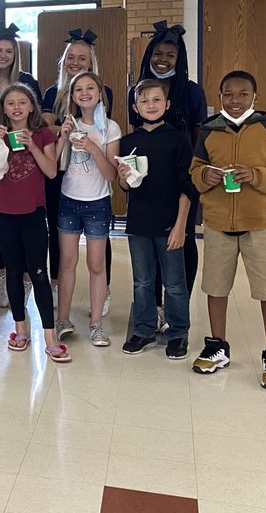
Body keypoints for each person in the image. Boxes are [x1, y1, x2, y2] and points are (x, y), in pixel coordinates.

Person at [190, 71, 266, 389]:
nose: (234, 100)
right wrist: (204, 176)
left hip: (259, 224)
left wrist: (256, 175)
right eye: (228, 94)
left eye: (242, 94)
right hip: (217, 224)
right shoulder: (208, 131)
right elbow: (195, 170)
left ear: (255, 97)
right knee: (215, 287)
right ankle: (217, 346)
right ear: (220, 97)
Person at [128, 21, 208, 329]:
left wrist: (195, 174)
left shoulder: (191, 91)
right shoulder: (138, 89)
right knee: (150, 245)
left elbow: (199, 135)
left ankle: (178, 306)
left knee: (181, 241)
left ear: (179, 58)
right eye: (158, 53)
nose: (163, 59)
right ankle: (156, 308)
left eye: (170, 55)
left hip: (181, 178)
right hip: (148, 181)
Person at [117, 79, 197, 360]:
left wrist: (181, 225)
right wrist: (122, 178)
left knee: (174, 283)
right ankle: (144, 329)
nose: (150, 105)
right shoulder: (129, 142)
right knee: (142, 281)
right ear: (135, 107)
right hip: (139, 223)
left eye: (156, 100)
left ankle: (178, 332)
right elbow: (126, 186)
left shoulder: (178, 139)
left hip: (170, 223)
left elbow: (187, 186)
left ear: (167, 104)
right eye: (144, 101)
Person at [0, 84, 66, 362]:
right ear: (3, 109)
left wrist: (32, 145)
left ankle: (49, 336)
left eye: (22, 102)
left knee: (39, 272)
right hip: (2, 212)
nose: (17, 107)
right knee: (13, 271)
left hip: (33, 213)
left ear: (32, 106)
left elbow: (51, 171)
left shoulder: (43, 134)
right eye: (10, 103)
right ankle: (20, 329)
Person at [40, 29, 115, 311]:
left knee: (99, 237)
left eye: (81, 58)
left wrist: (79, 133)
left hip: (92, 173)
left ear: (91, 63)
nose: (75, 62)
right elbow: (44, 127)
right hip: (60, 169)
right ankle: (57, 284)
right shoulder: (52, 92)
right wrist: (65, 130)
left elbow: (102, 129)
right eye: (70, 57)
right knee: (57, 230)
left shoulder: (104, 92)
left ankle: (103, 290)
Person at [53, 71, 121, 349]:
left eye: (90, 87)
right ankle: (62, 320)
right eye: (78, 89)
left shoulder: (110, 128)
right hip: (68, 201)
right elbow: (53, 164)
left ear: (99, 93)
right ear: (72, 96)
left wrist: (93, 147)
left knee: (96, 265)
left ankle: (96, 324)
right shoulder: (69, 123)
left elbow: (111, 175)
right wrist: (62, 136)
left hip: (97, 203)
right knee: (67, 263)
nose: (84, 93)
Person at [0, 24, 42, 308]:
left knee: (27, 225)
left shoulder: (27, 81)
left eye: (9, 51)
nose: (3, 56)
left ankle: (25, 280)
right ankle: (2, 279)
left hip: (26, 164)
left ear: (16, 55)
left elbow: (40, 121)